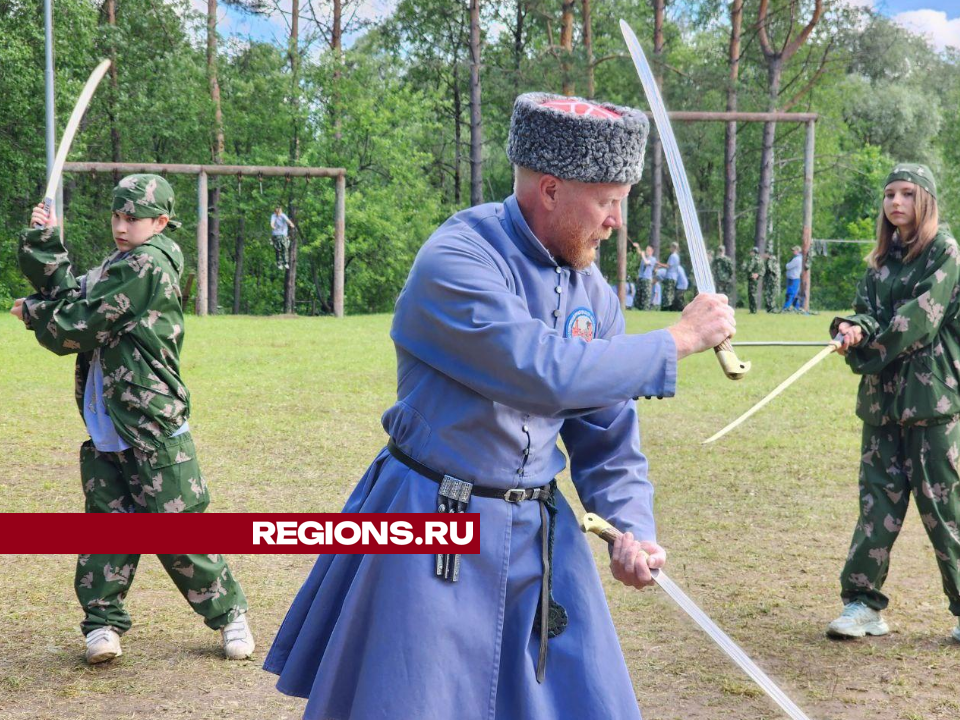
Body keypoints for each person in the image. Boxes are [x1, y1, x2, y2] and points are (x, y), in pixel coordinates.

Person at [264, 92, 735, 720]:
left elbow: (606, 433)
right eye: (607, 200)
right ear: (549, 189)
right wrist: (677, 340)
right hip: (431, 524)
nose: (617, 221)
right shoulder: (456, 260)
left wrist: (632, 528)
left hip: (537, 539)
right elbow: (538, 371)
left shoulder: (594, 291)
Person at [10, 175, 254, 665]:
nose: (121, 227)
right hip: (108, 423)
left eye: (132, 219)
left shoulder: (148, 264)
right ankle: (101, 625)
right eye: (116, 216)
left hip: (152, 426)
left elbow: (78, 325)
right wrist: (43, 243)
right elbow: (73, 292)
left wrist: (34, 312)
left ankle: (230, 617)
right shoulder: (120, 263)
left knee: (179, 529)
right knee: (106, 526)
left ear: (160, 222)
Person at [827, 164, 960, 644]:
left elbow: (917, 321)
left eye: (906, 193)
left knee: (944, 510)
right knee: (875, 506)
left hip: (931, 406)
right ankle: (862, 605)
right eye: (889, 194)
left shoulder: (946, 252)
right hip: (882, 407)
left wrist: (868, 343)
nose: (895, 202)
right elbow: (870, 308)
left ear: (925, 199)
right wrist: (852, 327)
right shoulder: (880, 260)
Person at [270, 205, 295, 270]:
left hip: (283, 234)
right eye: (276, 212)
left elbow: (288, 221)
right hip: (276, 234)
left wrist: (291, 224)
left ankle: (286, 262)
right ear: (275, 212)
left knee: (285, 248)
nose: (278, 214)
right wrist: (273, 226)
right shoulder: (273, 216)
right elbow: (272, 223)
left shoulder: (283, 215)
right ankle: (279, 263)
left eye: (278, 212)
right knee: (278, 249)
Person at [632, 241, 655, 310]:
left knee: (646, 296)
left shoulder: (652, 259)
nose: (647, 251)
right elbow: (640, 252)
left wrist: (643, 255)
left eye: (648, 250)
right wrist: (637, 246)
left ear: (652, 251)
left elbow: (646, 263)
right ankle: (638, 308)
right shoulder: (644, 257)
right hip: (641, 278)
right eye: (646, 250)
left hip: (647, 279)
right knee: (639, 294)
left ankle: (645, 309)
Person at [660, 242, 681, 310]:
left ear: (674, 248)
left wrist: (659, 264)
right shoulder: (677, 257)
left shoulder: (672, 256)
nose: (670, 249)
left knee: (667, 293)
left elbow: (668, 266)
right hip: (674, 277)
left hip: (670, 276)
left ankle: (666, 307)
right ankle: (670, 307)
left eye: (671, 247)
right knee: (671, 293)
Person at [782, 245, 803, 312]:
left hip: (793, 278)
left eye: (794, 250)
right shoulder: (798, 258)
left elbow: (788, 266)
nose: (793, 252)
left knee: (790, 293)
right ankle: (796, 307)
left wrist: (787, 264)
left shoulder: (797, 259)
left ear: (798, 251)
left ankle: (786, 307)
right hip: (794, 278)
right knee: (794, 294)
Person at [762, 243, 781, 313]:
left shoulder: (771, 260)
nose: (764, 255)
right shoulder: (769, 260)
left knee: (771, 294)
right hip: (770, 280)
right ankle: (769, 308)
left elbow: (770, 270)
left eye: (765, 254)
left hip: (772, 280)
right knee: (768, 294)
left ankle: (771, 308)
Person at [744, 247, 762, 314]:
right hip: (756, 279)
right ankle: (753, 309)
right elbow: (763, 270)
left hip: (752, 278)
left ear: (754, 252)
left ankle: (753, 310)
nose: (750, 253)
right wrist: (758, 275)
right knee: (753, 294)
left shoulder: (753, 259)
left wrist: (745, 266)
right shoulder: (760, 259)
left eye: (751, 252)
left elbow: (749, 269)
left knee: (752, 294)